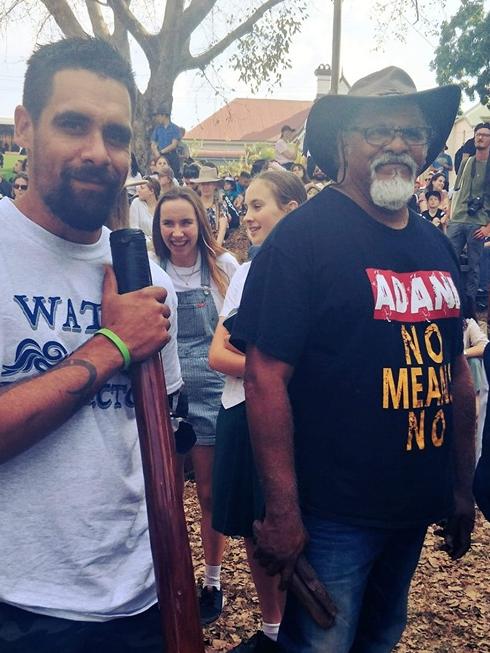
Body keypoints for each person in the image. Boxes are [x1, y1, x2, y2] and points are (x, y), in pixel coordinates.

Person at [231, 67, 476, 653]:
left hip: (413, 505)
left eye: (411, 133)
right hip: (333, 514)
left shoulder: (433, 242)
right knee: (322, 646)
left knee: (381, 637)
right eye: (378, 130)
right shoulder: (303, 240)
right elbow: (265, 378)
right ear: (344, 142)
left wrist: (460, 486)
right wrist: (284, 514)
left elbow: (456, 373)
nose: (397, 144)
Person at [0, 37, 183, 653]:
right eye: (73, 125)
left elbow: (155, 435)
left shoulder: (143, 277)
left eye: (117, 134)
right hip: (20, 605)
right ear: (24, 126)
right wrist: (110, 346)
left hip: (143, 599)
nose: (98, 153)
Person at [210, 170, 306, 652]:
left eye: (257, 206)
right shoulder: (245, 273)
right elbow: (217, 353)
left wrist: (267, 370)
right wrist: (273, 368)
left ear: (291, 209)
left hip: (291, 419)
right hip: (239, 410)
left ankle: (297, 631)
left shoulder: (315, 268)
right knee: (254, 526)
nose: (246, 217)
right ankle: (272, 630)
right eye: (245, 207)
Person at [151, 186, 239, 626]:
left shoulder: (223, 267)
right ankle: (169, 577)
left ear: (200, 224)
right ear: (157, 226)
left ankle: (212, 580)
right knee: (163, 494)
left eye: (185, 222)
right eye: (168, 223)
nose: (177, 232)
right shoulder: (149, 269)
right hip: (164, 392)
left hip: (211, 388)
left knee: (208, 493)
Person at [447, 122, 490, 307]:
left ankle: (469, 305)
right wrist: (451, 213)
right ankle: (449, 299)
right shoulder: (466, 162)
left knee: (474, 267)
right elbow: (457, 190)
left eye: (485, 135)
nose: (480, 137)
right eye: (478, 134)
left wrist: (488, 227)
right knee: (449, 260)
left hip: (478, 222)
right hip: (458, 219)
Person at [192, 165, 232, 246]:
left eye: (209, 184)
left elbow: (222, 229)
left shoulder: (221, 204)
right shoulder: (194, 204)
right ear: (199, 186)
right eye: (203, 184)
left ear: (215, 185)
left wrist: (216, 249)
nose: (205, 187)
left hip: (215, 246)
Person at [150, 105, 181, 179]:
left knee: (173, 177)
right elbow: (153, 143)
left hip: (171, 156)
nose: (157, 118)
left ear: (164, 115)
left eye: (158, 116)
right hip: (160, 156)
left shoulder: (175, 128)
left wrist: (161, 152)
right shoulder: (158, 128)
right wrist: (157, 154)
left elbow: (173, 145)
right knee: (159, 176)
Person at [129, 176, 161, 244]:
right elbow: (134, 227)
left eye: (142, 188)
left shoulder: (162, 207)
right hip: (141, 243)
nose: (139, 190)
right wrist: (148, 241)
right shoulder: (136, 203)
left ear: (151, 191)